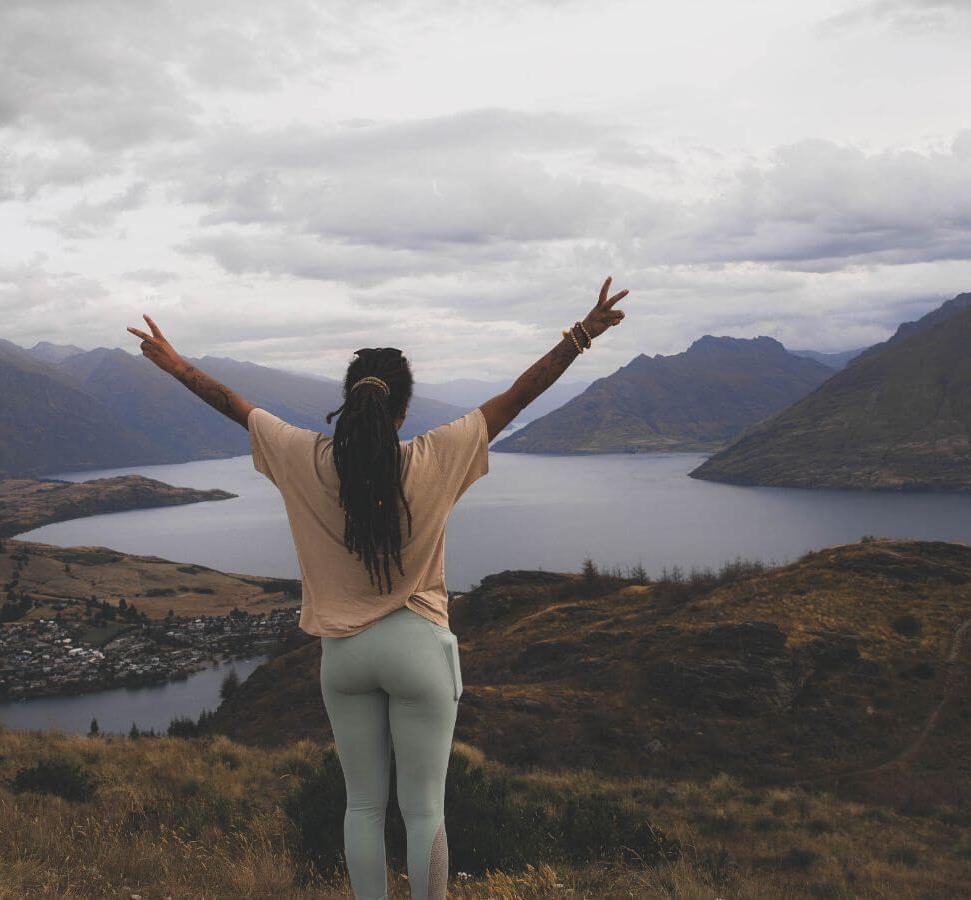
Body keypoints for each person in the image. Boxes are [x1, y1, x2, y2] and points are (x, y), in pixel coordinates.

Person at [126, 276, 629, 899]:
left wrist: (175, 365)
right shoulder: (433, 457)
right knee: (423, 811)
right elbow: (517, 397)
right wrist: (582, 333)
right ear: (402, 410)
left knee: (361, 806)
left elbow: (232, 404)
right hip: (418, 645)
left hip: (343, 653)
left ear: (349, 402)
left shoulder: (304, 458)